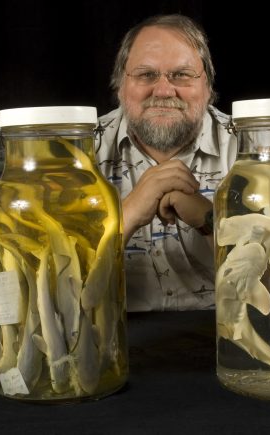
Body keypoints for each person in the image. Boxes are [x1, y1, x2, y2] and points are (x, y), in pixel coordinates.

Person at [96, 14, 237, 312]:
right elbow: (57, 284)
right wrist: (127, 214)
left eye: (182, 75)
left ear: (208, 88)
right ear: (120, 86)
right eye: (146, 75)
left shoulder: (248, 148)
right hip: (113, 339)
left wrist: (210, 220)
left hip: (226, 336)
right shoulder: (79, 154)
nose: (163, 91)